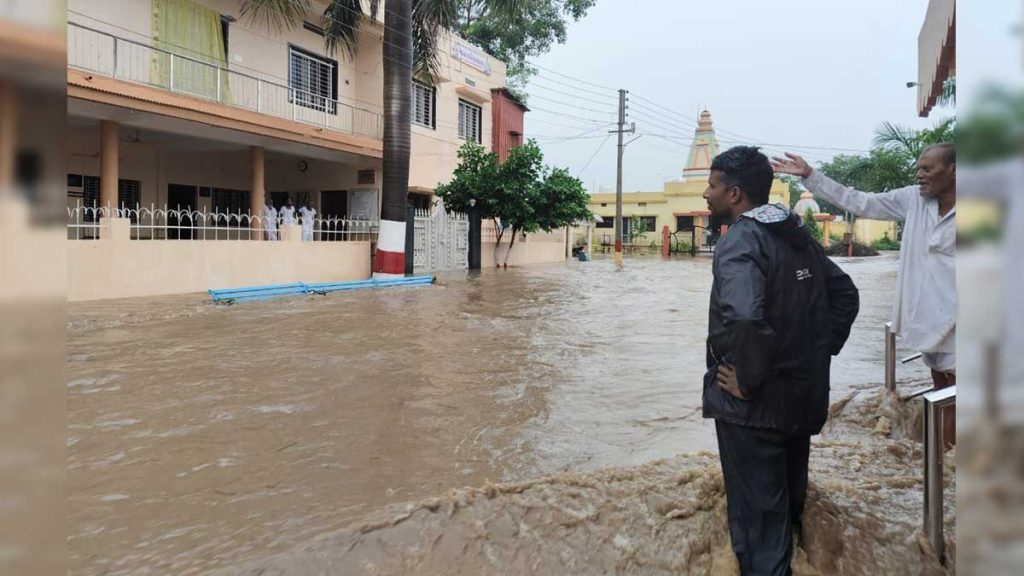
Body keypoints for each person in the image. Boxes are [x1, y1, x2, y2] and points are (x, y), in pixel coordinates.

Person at [703, 146, 859, 575]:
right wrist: (813, 357)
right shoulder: (794, 235)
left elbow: (746, 317)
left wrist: (750, 381)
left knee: (761, 537)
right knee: (789, 514)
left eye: (712, 186)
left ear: (734, 193)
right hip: (799, 399)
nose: (705, 194)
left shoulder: (740, 240)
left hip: (753, 410)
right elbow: (844, 295)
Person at [771, 146, 956, 392]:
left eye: (927, 169)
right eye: (918, 169)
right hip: (927, 319)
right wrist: (810, 175)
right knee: (941, 388)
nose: (919, 175)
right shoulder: (914, 199)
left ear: (954, 170)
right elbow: (860, 202)